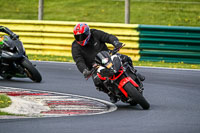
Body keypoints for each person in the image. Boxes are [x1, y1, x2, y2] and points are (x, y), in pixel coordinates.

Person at [71, 23, 145, 103]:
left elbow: (108, 37)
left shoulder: (95, 33)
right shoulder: (75, 46)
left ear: (88, 33)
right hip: (95, 66)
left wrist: (116, 43)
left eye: (82, 36)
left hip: (108, 56)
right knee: (97, 81)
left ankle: (135, 72)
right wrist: (84, 70)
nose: (80, 39)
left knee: (125, 58)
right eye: (77, 37)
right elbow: (79, 61)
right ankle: (111, 94)